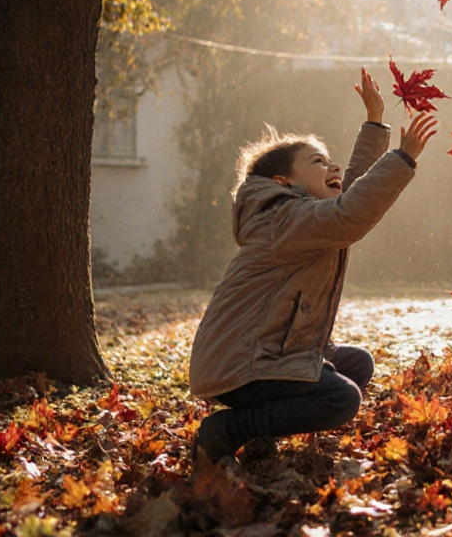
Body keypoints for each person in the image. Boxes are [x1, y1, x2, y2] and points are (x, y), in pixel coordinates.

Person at [188, 67, 438, 463]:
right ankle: (226, 430)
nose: (334, 169)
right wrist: (402, 158)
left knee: (356, 364)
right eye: (320, 162)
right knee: (340, 398)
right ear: (284, 181)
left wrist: (374, 123)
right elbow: (350, 213)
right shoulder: (283, 219)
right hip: (240, 363)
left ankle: (260, 433)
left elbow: (352, 194)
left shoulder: (303, 216)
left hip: (264, 353)